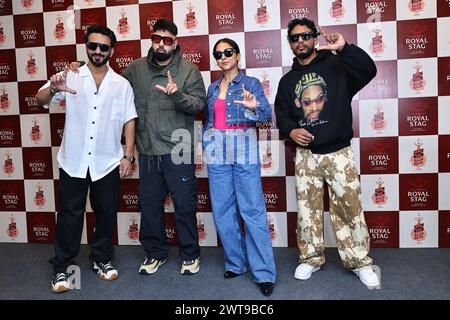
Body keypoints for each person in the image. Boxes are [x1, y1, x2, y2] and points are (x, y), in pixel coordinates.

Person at [274, 18, 380, 288]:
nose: (301, 41)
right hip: (307, 156)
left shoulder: (336, 65)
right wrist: (291, 131)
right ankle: (310, 258)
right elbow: (282, 115)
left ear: (314, 38)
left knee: (350, 209)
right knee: (308, 212)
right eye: (295, 37)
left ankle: (359, 261)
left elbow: (369, 70)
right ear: (290, 43)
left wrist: (345, 48)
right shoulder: (287, 81)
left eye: (306, 35)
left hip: (339, 153)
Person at [35, 25, 137, 293]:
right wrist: (53, 88)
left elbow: (129, 120)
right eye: (93, 46)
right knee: (70, 216)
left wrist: (128, 155)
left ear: (112, 51)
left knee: (106, 214)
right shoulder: (69, 75)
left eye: (104, 47)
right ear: (86, 47)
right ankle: (61, 269)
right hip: (74, 160)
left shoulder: (122, 84)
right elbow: (40, 98)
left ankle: (101, 260)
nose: (98, 51)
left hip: (107, 161)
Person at [122, 19, 205, 275]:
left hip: (179, 150)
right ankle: (155, 253)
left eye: (167, 40)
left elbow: (198, 105)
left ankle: (190, 254)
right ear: (151, 39)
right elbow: (116, 94)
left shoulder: (189, 71)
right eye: (157, 38)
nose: (161, 44)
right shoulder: (135, 69)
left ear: (175, 43)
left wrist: (177, 93)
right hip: (147, 150)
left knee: (184, 204)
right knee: (149, 206)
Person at [202, 38, 276, 296]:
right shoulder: (212, 88)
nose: (223, 57)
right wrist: (206, 143)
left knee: (252, 209)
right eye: (218, 53)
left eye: (228, 52)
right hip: (216, 149)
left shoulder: (251, 83)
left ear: (238, 55)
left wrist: (255, 107)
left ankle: (264, 272)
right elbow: (209, 121)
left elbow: (266, 115)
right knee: (222, 209)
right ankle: (236, 263)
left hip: (242, 144)